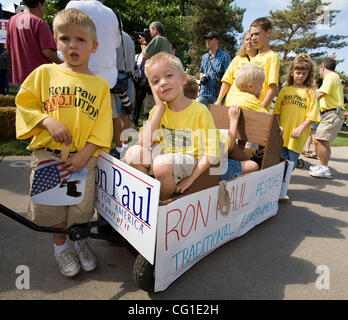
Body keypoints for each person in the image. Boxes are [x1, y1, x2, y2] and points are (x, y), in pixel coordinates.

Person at [15, 9, 113, 278]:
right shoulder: (44, 74)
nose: (73, 45)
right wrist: (47, 121)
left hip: (84, 159)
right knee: (52, 209)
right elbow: (25, 104)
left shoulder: (100, 86)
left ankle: (80, 242)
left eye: (81, 40)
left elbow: (103, 126)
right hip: (48, 155)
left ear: (94, 46)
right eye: (65, 38)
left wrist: (86, 153)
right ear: (56, 42)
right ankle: (61, 249)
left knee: (81, 208)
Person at [124, 52, 220, 201]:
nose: (162, 82)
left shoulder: (200, 111)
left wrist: (191, 179)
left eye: (169, 76)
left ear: (183, 79)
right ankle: (148, 197)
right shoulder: (157, 111)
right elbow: (145, 142)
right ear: (152, 88)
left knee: (161, 163)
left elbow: (212, 153)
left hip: (191, 160)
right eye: (156, 81)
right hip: (165, 157)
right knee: (133, 153)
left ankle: (163, 202)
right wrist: (160, 110)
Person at [273, 54, 320, 169]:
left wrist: (301, 127)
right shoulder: (284, 90)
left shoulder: (309, 92)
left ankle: (284, 184)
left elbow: (312, 115)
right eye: (298, 73)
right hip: (282, 134)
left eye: (304, 73)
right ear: (292, 73)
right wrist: (278, 126)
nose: (301, 76)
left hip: (297, 135)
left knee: (290, 165)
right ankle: (280, 186)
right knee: (278, 164)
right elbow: (276, 112)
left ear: (308, 75)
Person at [5, 0, 62, 85]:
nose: (44, 10)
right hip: (39, 77)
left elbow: (8, 50)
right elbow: (47, 52)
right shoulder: (39, 23)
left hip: (20, 77)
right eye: (44, 6)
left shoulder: (12, 20)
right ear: (39, 4)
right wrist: (63, 65)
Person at [310, 57, 345, 178]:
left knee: (321, 139)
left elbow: (320, 94)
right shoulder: (333, 77)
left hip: (332, 113)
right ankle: (322, 165)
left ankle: (324, 169)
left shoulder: (330, 77)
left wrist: (307, 104)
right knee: (320, 139)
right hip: (330, 113)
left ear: (322, 68)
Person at [110, 31, 135, 159]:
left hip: (117, 78)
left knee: (115, 115)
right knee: (125, 114)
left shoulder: (114, 37)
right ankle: (124, 146)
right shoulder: (130, 39)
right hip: (128, 78)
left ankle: (119, 148)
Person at [215, 30, 257, 106]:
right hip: (231, 103)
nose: (249, 42)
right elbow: (227, 81)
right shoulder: (237, 59)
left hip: (250, 105)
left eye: (252, 40)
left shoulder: (261, 60)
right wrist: (219, 100)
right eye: (247, 39)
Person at [219, 105, 259, 181]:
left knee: (233, 149)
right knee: (254, 166)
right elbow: (229, 146)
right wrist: (233, 120)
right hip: (212, 170)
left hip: (199, 163)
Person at [249, 17, 280, 111]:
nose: (253, 38)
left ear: (268, 32)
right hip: (247, 107)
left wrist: (260, 109)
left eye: (257, 34)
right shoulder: (252, 60)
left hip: (258, 112)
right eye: (252, 35)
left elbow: (273, 88)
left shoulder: (272, 56)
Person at [142, 21, 171, 115]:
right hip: (164, 75)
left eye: (150, 30)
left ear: (155, 30)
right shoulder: (166, 41)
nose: (149, 32)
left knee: (152, 108)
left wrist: (143, 44)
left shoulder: (157, 39)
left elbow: (145, 55)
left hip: (156, 76)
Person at [198, 31, 231, 107]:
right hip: (203, 94)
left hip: (217, 96)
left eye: (210, 39)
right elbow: (201, 71)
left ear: (216, 40)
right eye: (206, 39)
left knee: (216, 119)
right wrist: (202, 77)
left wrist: (220, 98)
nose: (207, 41)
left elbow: (228, 76)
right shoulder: (204, 57)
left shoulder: (225, 56)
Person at [303, 76, 323, 159]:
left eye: (313, 81)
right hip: (315, 113)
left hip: (315, 113)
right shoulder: (316, 91)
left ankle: (313, 151)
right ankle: (309, 150)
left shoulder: (317, 92)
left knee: (312, 133)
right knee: (310, 133)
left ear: (317, 83)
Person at [132, 41, 148, 126]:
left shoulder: (150, 58)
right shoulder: (137, 56)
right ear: (141, 46)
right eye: (144, 45)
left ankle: (135, 119)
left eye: (146, 45)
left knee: (139, 102)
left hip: (144, 83)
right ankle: (132, 117)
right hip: (135, 81)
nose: (145, 47)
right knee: (133, 100)